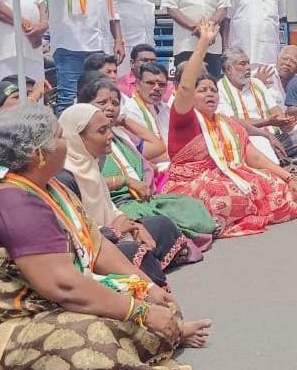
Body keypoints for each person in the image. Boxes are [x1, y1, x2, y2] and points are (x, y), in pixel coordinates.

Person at [0, 102, 210, 370]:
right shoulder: (13, 201)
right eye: (60, 136)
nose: (66, 141)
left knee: (156, 303)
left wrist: (145, 288)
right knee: (93, 333)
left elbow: (95, 245)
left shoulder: (51, 187)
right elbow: (62, 286)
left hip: (36, 303)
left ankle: (107, 355)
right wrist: (142, 313)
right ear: (38, 154)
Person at [163, 21, 297, 237]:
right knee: (223, 192)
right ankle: (216, 220)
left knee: (279, 189)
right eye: (202, 91)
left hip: (225, 175)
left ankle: (235, 215)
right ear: (191, 96)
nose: (210, 94)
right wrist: (203, 42)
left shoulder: (226, 124)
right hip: (190, 184)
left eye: (213, 90)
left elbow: (254, 158)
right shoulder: (184, 119)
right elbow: (184, 86)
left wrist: (287, 177)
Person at [56, 103, 188, 285]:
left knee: (161, 225)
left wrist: (133, 226)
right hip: (93, 248)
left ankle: (144, 265)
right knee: (136, 252)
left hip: (112, 231)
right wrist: (114, 232)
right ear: (77, 137)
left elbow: (109, 209)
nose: (110, 136)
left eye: (109, 129)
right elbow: (76, 237)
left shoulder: (89, 164)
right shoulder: (65, 176)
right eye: (102, 131)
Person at [79, 79, 217, 241]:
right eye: (102, 102)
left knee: (190, 204)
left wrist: (123, 120)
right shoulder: (80, 141)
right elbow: (85, 183)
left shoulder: (120, 134)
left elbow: (157, 147)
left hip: (142, 198)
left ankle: (180, 237)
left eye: (115, 103)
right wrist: (125, 181)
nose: (110, 108)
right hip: (116, 204)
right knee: (159, 223)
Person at [216, 48, 297, 164]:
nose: (248, 68)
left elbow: (274, 109)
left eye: (248, 63)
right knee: (259, 142)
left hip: (273, 135)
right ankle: (283, 160)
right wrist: (266, 123)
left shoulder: (256, 83)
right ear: (229, 69)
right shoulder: (220, 89)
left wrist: (284, 121)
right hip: (247, 138)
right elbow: (232, 122)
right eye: (242, 64)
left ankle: (274, 159)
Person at [121, 61, 171, 150]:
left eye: (161, 84)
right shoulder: (130, 110)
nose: (156, 88)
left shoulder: (166, 109)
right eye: (150, 83)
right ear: (137, 85)